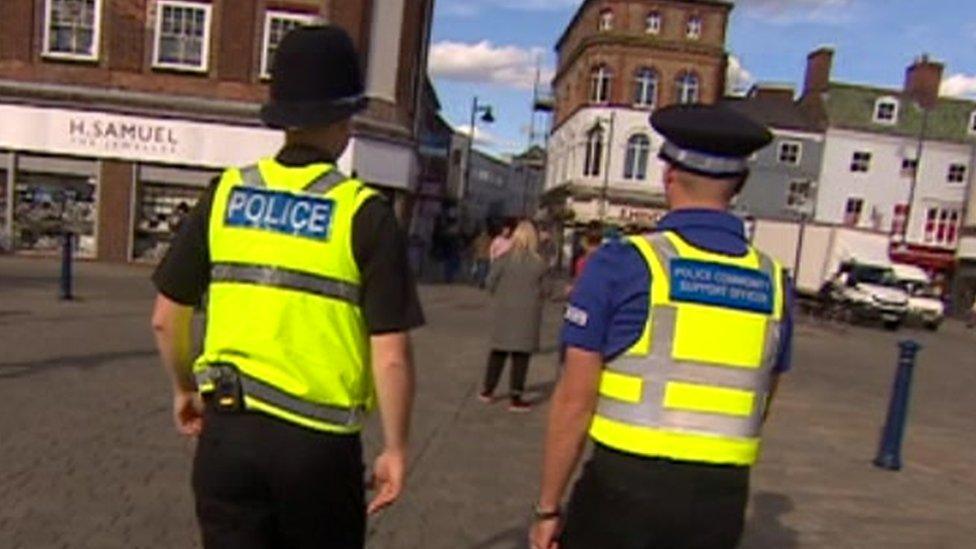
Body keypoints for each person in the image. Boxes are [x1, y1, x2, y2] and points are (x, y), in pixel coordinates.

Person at [150, 26, 423, 549]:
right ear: (345, 119)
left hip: (227, 438)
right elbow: (391, 355)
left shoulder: (226, 193)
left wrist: (185, 388)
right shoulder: (364, 213)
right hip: (318, 453)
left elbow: (166, 316)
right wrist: (396, 447)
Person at [530, 104, 794, 549]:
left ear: (669, 176)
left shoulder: (622, 264)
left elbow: (575, 400)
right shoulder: (774, 282)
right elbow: (764, 394)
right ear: (740, 184)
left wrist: (548, 507)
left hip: (623, 492)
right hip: (721, 501)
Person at [480, 220, 549, 412]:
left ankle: (488, 390)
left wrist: (501, 295)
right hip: (527, 316)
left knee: (498, 352)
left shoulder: (504, 259)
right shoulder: (539, 264)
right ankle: (516, 397)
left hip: (503, 313)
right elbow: (547, 290)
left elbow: (490, 282)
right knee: (520, 357)